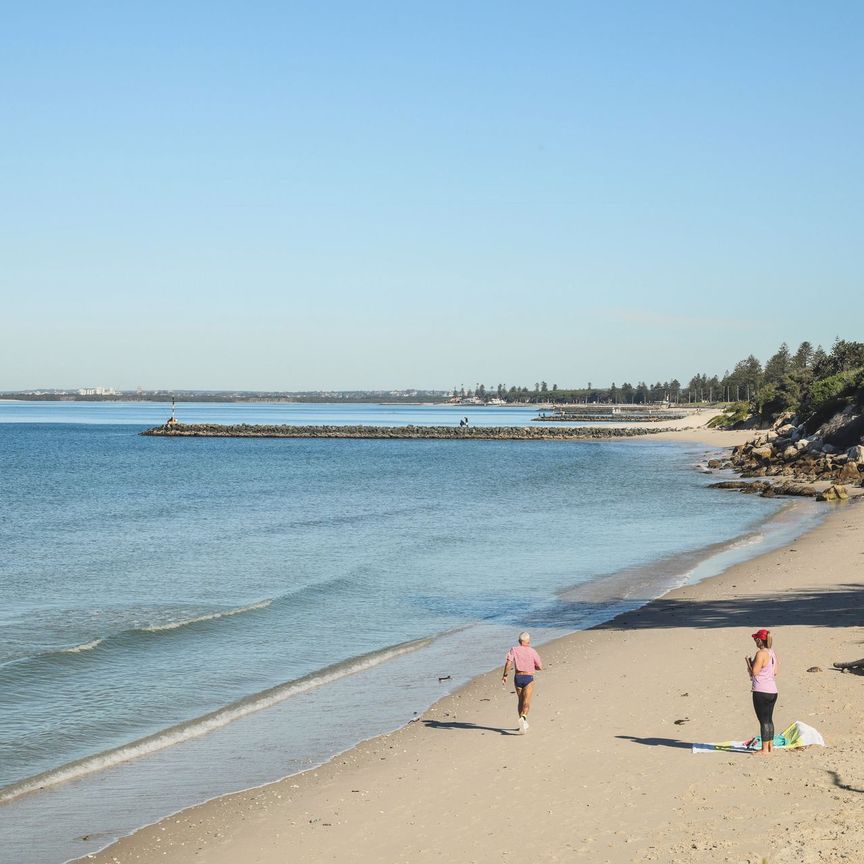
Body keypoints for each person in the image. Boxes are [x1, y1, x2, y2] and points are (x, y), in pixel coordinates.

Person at [746, 628, 779, 754]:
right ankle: (770, 746)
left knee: (763, 721)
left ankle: (764, 749)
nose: (755, 641)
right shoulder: (772, 653)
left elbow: (754, 672)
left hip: (761, 691)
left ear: (759, 640)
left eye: (756, 639)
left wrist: (750, 668)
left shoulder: (761, 653)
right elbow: (775, 671)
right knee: (769, 719)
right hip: (772, 690)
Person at [502, 631, 543, 733]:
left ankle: (522, 724)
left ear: (519, 641)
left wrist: (505, 675)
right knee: (526, 701)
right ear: (528, 641)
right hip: (528, 677)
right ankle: (524, 718)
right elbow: (540, 666)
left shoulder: (514, 650)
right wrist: (534, 667)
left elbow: (508, 663)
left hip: (518, 677)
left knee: (520, 701)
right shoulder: (532, 651)